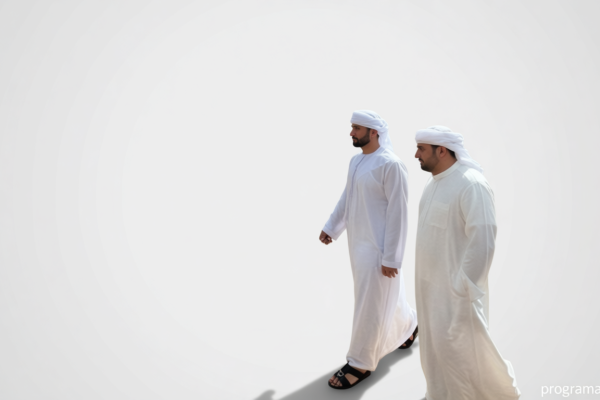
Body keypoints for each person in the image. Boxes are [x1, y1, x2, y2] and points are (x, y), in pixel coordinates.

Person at [414, 125, 520, 399]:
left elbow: (483, 240)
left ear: (441, 150)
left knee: (462, 352)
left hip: (456, 294)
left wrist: (464, 287)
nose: (416, 155)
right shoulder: (433, 183)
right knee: (434, 349)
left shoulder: (471, 184)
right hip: (429, 291)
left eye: (421, 149)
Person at [320, 110, 418, 390]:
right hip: (358, 244)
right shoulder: (356, 161)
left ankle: (360, 362)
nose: (351, 133)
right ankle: (408, 327)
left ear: (374, 132)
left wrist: (392, 258)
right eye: (352, 127)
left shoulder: (391, 165)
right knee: (384, 296)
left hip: (379, 250)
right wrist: (332, 227)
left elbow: (399, 214)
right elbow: (348, 197)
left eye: (357, 128)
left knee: (370, 303)